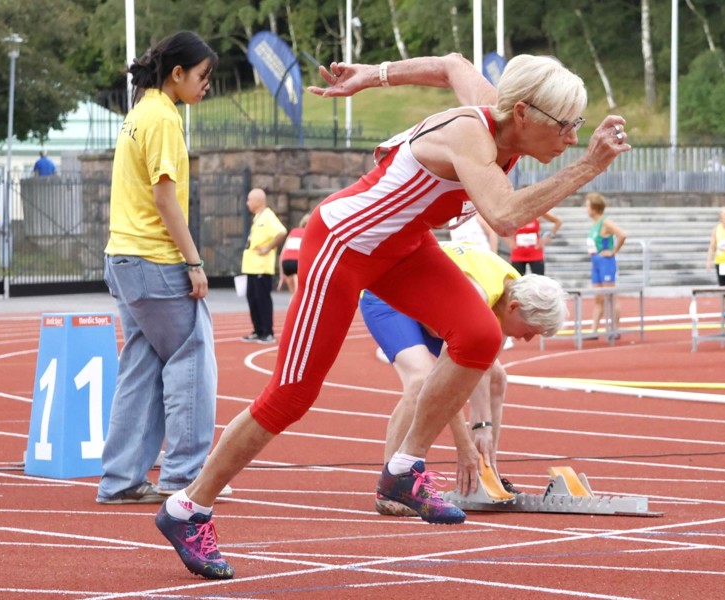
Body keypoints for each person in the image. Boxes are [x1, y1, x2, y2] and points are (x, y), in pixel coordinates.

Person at [155, 51, 630, 580]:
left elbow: (452, 64)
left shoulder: (495, 109)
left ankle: (403, 468)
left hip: (402, 248)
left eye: (576, 128)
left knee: (477, 335)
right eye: (565, 127)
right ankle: (188, 507)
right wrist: (588, 166)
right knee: (291, 395)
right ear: (523, 115)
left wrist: (371, 77)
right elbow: (505, 213)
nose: (569, 137)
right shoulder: (473, 134)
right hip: (342, 246)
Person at [97, 32, 219, 509]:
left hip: (123, 259)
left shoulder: (139, 111)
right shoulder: (164, 118)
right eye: (203, 76)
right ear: (178, 74)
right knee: (192, 359)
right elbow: (164, 198)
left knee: (142, 367)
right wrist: (195, 262)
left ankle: (121, 478)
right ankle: (184, 476)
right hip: (153, 260)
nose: (206, 85)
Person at [361, 241, 567, 516]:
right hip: (388, 297)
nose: (527, 338)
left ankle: (485, 472)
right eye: (531, 330)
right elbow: (447, 383)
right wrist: (463, 446)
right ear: (514, 308)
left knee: (497, 377)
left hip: (431, 307)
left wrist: (483, 426)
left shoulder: (512, 287)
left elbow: (479, 368)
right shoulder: (478, 296)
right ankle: (392, 487)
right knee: (421, 380)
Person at [240, 188, 288, 344]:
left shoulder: (268, 216)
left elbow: (281, 232)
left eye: (249, 200)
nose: (247, 203)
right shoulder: (257, 218)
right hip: (251, 267)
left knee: (262, 300)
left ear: (257, 200)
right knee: (252, 299)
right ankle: (258, 330)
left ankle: (268, 333)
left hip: (261, 267)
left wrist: (268, 248)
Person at [585, 193, 627, 336]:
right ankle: (594, 330)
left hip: (606, 263)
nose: (586, 209)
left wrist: (613, 251)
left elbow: (622, 235)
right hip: (595, 263)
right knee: (598, 298)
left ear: (594, 208)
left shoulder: (605, 222)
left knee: (611, 296)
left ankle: (615, 329)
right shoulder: (594, 225)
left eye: (587, 206)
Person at [505, 211, 562, 275]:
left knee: (539, 280)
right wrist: (509, 241)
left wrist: (548, 238)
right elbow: (500, 225)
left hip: (535, 253)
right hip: (518, 253)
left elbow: (558, 221)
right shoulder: (514, 213)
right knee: (517, 281)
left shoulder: (537, 212)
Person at [277, 213, 309, 294]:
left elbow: (282, 253)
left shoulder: (293, 232)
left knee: (292, 295)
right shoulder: (308, 233)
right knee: (298, 293)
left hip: (286, 262)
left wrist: (281, 274)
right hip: (297, 262)